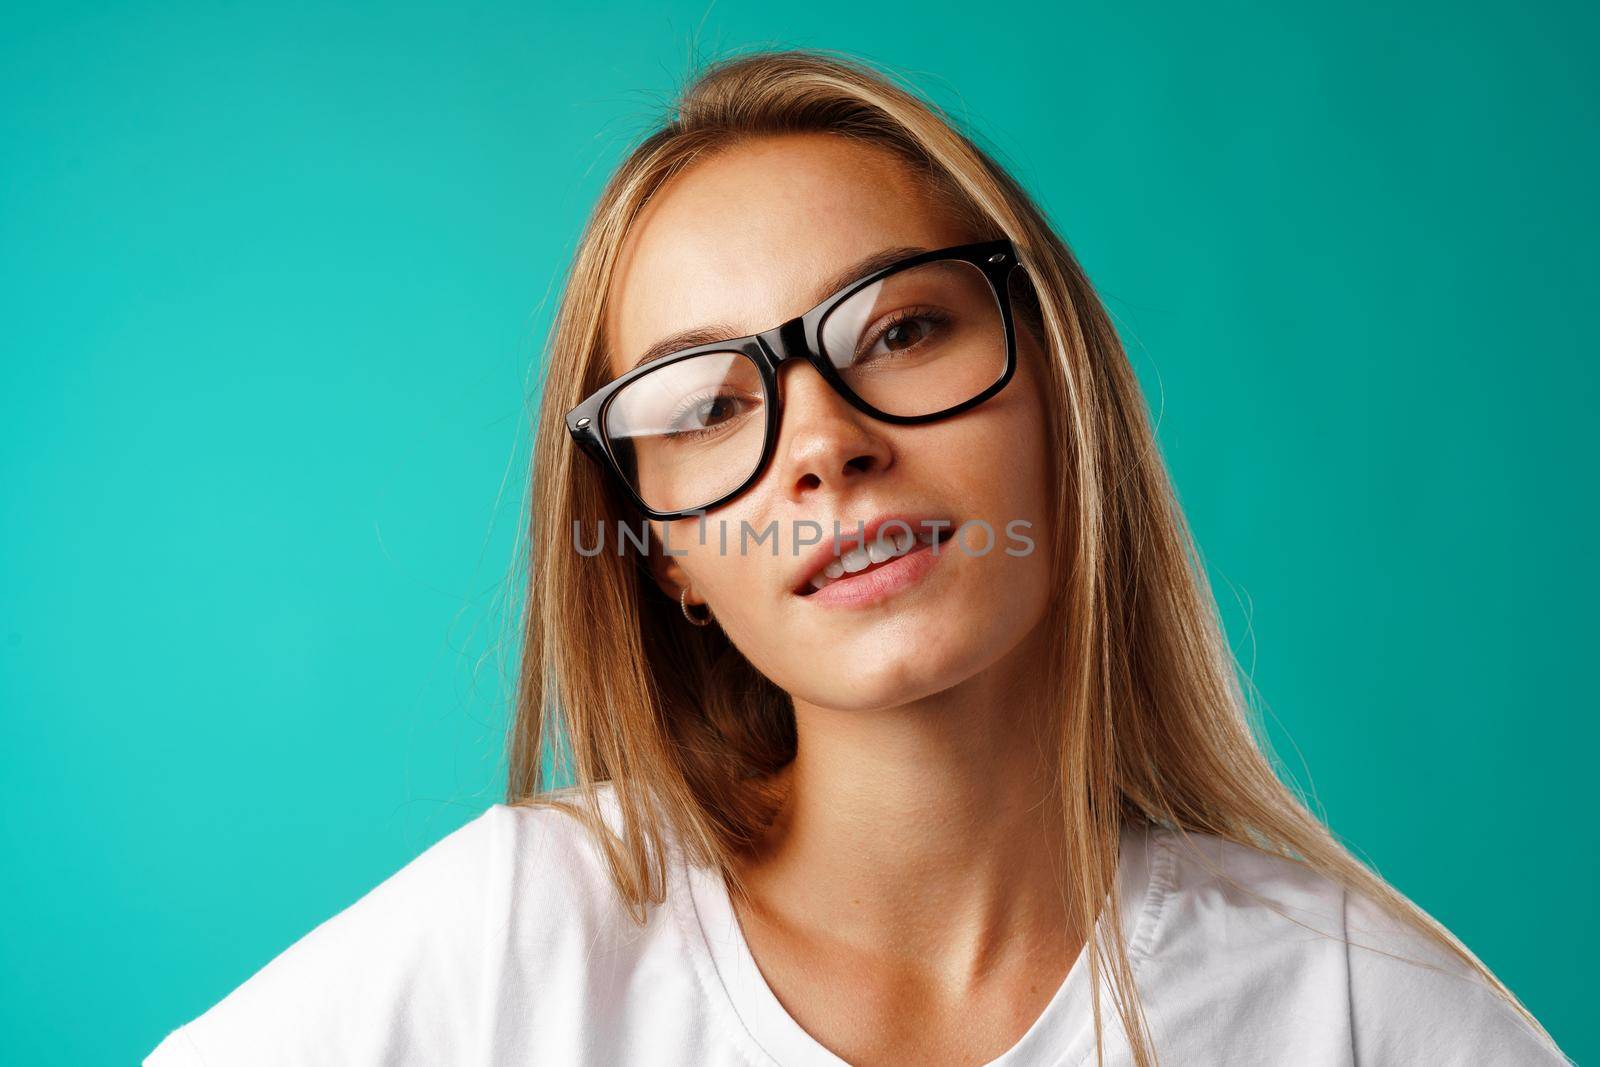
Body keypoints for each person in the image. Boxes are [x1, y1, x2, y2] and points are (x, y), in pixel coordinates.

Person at [144, 48, 1571, 1066]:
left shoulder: (1362, 1007)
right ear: (662, 559)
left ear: (1064, 395)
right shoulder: (519, 937)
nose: (822, 443)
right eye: (707, 407)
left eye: (900, 331)